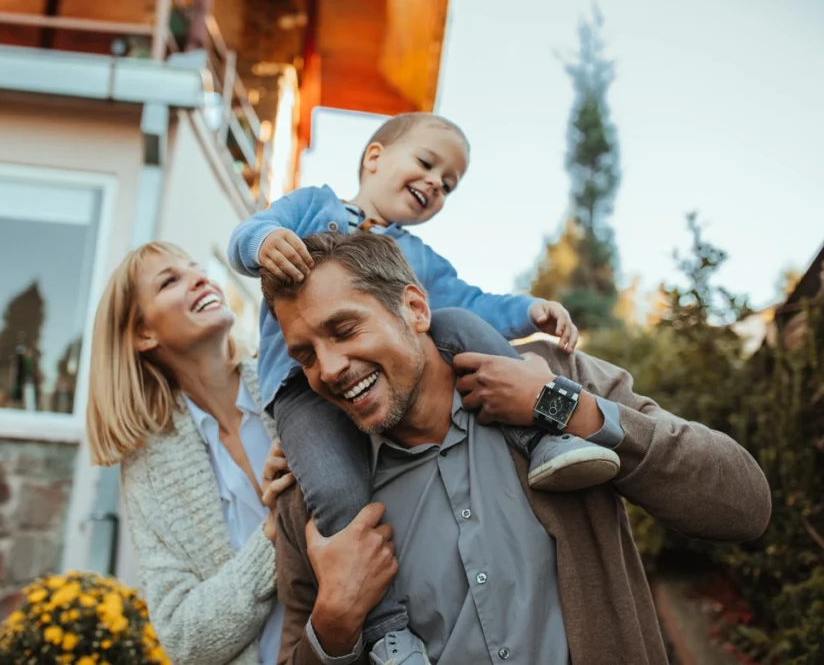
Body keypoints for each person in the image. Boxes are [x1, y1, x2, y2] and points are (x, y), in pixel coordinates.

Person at [262, 231, 772, 665]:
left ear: (415, 309)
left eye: (345, 329)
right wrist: (333, 624)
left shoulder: (554, 378)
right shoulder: (310, 501)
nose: (328, 369)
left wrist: (564, 408)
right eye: (305, 355)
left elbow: (743, 506)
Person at [228, 112, 618, 663]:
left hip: (393, 371)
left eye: (450, 184)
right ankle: (387, 628)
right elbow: (246, 232)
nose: (437, 183)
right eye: (428, 163)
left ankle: (545, 438)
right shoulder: (312, 204)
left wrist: (528, 309)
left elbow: (475, 301)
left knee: (459, 324)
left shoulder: (421, 261)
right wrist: (264, 242)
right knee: (337, 493)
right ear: (374, 158)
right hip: (301, 391)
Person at [85, 241, 296, 665]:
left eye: (196, 268)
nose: (200, 278)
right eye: (170, 281)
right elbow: (183, 639)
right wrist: (274, 533)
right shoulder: (150, 468)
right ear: (144, 333)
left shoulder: (290, 388)